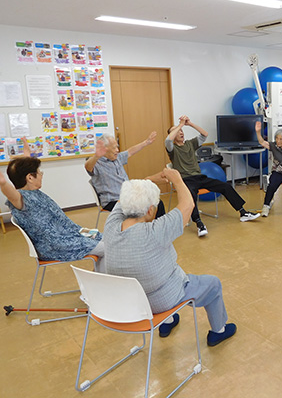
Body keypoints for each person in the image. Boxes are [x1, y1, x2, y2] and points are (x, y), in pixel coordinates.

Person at [103, 170, 236, 344]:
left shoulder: (111, 224)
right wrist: (177, 180)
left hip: (132, 302)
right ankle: (219, 330)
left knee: (152, 273)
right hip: (161, 300)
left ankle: (168, 321)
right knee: (213, 284)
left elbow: (127, 196)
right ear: (151, 210)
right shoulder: (156, 231)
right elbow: (188, 205)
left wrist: (149, 178)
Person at [1, 141, 105, 271]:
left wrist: (27, 154)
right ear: (30, 178)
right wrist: (3, 183)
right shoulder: (22, 199)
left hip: (72, 233)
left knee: (105, 237)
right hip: (56, 245)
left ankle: (100, 278)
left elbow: (24, 170)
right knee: (107, 248)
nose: (42, 174)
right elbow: (11, 194)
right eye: (39, 172)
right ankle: (101, 283)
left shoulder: (33, 191)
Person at [166, 116, 259, 237]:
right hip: (186, 180)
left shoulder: (190, 144)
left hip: (199, 177)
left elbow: (204, 134)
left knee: (225, 186)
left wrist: (189, 123)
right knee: (190, 196)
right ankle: (199, 224)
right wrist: (180, 125)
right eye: (177, 131)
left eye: (181, 131)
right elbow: (168, 140)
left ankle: (243, 213)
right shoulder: (172, 149)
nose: (180, 132)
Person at [85, 132, 165, 217]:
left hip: (128, 196)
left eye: (117, 147)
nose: (117, 150)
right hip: (113, 201)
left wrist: (146, 142)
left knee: (157, 204)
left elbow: (130, 152)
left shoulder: (117, 157)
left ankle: (158, 229)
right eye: (114, 148)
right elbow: (87, 167)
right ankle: (143, 229)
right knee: (142, 208)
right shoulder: (97, 163)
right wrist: (97, 156)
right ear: (104, 149)